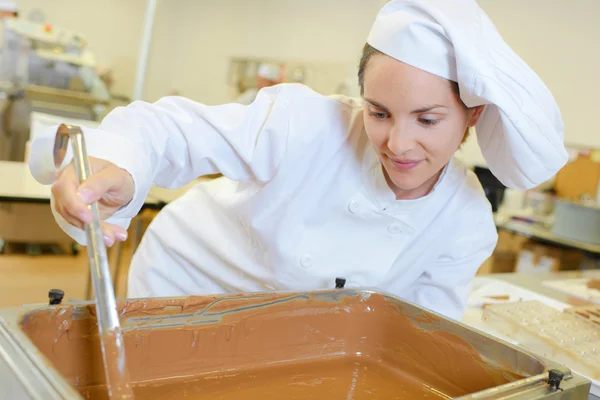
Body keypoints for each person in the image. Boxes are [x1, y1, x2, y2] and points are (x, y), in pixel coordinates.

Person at [29, 0, 566, 320]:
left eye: (427, 120)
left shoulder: (464, 221)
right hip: (189, 287)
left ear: (470, 117)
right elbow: (174, 131)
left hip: (300, 332)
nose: (398, 144)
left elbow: (419, 329)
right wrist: (120, 168)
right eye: (379, 112)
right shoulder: (306, 123)